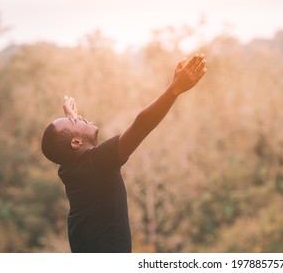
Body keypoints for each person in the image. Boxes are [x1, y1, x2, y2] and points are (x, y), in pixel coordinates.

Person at [41, 53, 207, 253]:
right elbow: (142, 125)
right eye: (77, 121)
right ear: (76, 143)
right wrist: (174, 89)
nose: (82, 117)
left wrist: (72, 120)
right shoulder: (98, 164)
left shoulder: (69, 170)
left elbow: (73, 149)